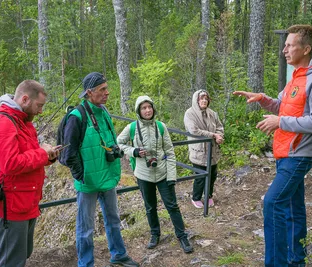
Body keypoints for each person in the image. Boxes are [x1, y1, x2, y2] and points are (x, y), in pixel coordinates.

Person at [233, 24, 312, 267]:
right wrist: (263, 99)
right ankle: (295, 260)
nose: (284, 50)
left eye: (290, 45)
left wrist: (281, 122)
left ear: (306, 48)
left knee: (273, 202)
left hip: (300, 153)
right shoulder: (296, 77)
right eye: (285, 44)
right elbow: (282, 106)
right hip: (287, 150)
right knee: (292, 205)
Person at [62, 72, 139, 267]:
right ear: (89, 92)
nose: (107, 92)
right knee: (85, 228)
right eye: (102, 89)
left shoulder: (103, 111)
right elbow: (68, 152)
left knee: (113, 219)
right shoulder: (76, 116)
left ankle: (119, 254)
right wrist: (81, 175)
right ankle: (85, 263)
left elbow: (109, 140)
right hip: (88, 182)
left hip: (107, 176)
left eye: (106, 88)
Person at [0, 80, 60, 267]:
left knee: (22, 255)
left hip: (26, 201)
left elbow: (29, 157)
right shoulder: (3, 122)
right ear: (25, 99)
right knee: (11, 262)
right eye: (39, 106)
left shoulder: (24, 122)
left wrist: (47, 155)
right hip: (11, 206)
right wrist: (41, 153)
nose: (40, 111)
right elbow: (9, 164)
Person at [117, 95, 194, 253]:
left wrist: (172, 176)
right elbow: (119, 142)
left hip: (163, 173)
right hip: (143, 175)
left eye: (149, 107)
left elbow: (170, 152)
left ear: (153, 108)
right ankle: (155, 234)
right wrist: (134, 151)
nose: (147, 110)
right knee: (150, 207)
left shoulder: (161, 126)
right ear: (139, 110)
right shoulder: (132, 128)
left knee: (172, 206)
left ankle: (182, 236)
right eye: (144, 108)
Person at [184, 90, 224, 209]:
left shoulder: (212, 113)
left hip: (212, 150)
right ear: (196, 100)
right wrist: (213, 135)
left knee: (212, 175)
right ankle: (196, 197)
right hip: (199, 151)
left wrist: (219, 136)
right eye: (201, 98)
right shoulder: (190, 113)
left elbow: (220, 127)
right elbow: (194, 130)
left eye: (206, 99)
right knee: (200, 176)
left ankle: (208, 195)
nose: (204, 101)